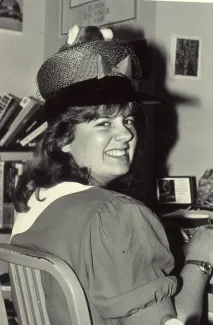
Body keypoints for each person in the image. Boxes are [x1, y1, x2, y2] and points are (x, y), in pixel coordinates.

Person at [10, 25, 213, 325]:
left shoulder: (33, 197)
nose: (126, 134)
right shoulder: (117, 214)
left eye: (128, 119)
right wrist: (200, 259)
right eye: (104, 123)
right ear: (63, 139)